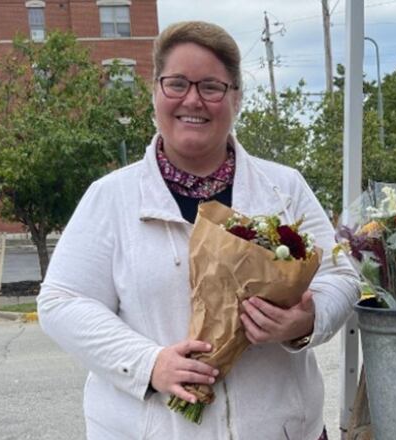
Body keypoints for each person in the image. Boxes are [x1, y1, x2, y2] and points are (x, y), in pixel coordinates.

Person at [37, 21, 359, 440]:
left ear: (236, 97)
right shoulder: (111, 198)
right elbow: (62, 301)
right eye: (176, 84)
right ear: (155, 91)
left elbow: (342, 275)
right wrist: (148, 364)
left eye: (211, 86)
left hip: (282, 430)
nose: (193, 99)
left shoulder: (283, 188)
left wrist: (306, 320)